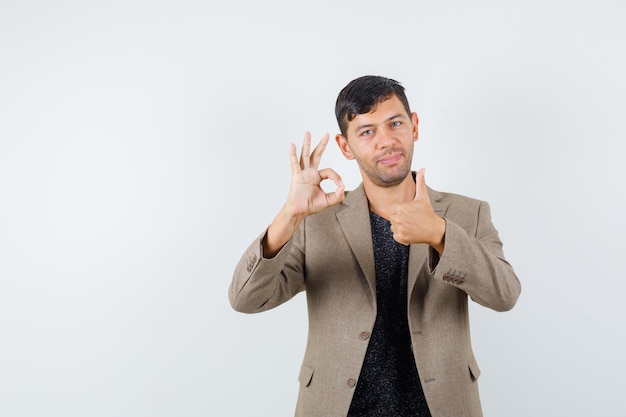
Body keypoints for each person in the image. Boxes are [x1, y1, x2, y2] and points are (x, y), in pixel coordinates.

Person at [229, 75, 521, 417]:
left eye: (395, 123)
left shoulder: (467, 213)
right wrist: (289, 217)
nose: (386, 141)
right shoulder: (315, 222)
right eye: (367, 131)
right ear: (345, 147)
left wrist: (440, 234)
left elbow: (505, 295)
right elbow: (245, 299)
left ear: (414, 126)